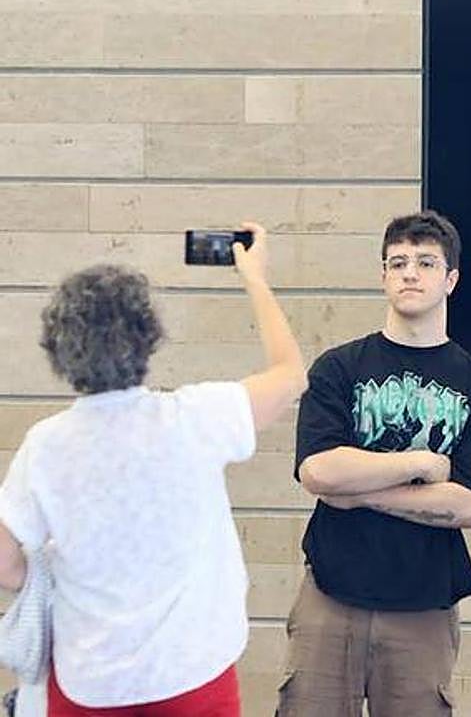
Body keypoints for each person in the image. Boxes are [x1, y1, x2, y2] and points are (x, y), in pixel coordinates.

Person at [0, 222, 306, 716]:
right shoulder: (194, 418)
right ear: (148, 337)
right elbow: (290, 373)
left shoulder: (47, 446)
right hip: (194, 673)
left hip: (91, 682)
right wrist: (255, 277)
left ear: (59, 350)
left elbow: (5, 562)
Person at [277, 210, 471, 717]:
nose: (410, 273)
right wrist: (421, 463)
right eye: (398, 262)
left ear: (451, 279)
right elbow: (318, 471)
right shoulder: (339, 368)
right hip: (330, 594)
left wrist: (356, 491)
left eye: (426, 263)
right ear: (382, 275)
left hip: (424, 607)